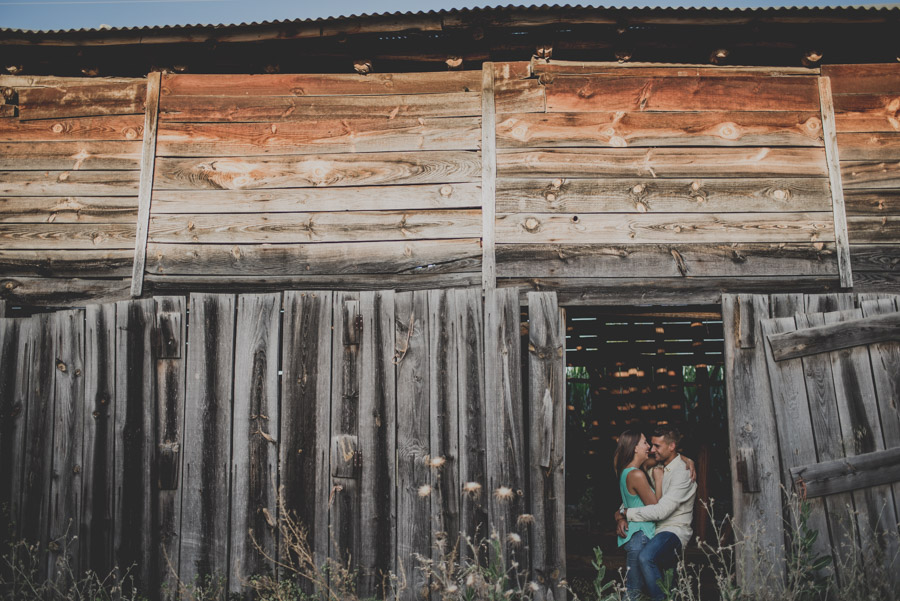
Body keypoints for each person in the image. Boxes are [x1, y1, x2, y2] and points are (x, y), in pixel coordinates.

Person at [615, 426, 698, 601]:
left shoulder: (683, 473)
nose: (652, 450)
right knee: (669, 583)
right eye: (650, 445)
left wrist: (625, 513)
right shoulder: (655, 469)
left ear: (672, 446)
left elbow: (660, 510)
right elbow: (638, 497)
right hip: (653, 531)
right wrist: (621, 513)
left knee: (646, 558)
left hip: (672, 530)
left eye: (657, 446)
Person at [613, 430, 662, 601]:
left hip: (636, 537)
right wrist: (660, 480)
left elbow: (664, 459)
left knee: (637, 591)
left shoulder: (627, 472)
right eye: (644, 442)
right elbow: (656, 508)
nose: (649, 446)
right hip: (640, 537)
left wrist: (688, 461)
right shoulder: (636, 475)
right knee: (633, 593)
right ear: (634, 448)